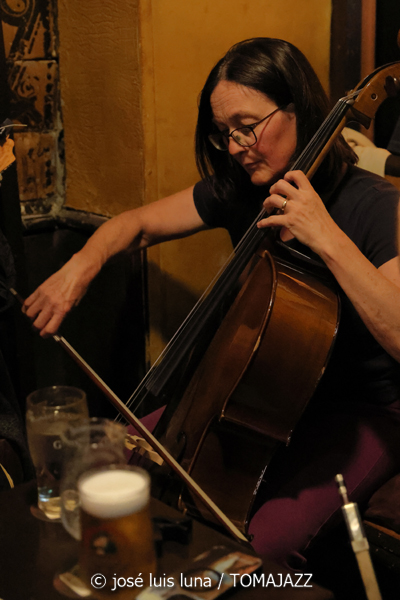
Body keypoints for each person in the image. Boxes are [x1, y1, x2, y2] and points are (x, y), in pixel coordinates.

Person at [23, 38, 400, 569]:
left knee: (257, 550)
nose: (237, 146)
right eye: (224, 133)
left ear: (297, 108)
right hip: (265, 399)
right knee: (111, 468)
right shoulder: (244, 188)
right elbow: (137, 224)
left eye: (248, 125)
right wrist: (78, 269)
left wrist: (326, 236)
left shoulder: (377, 206)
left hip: (363, 411)